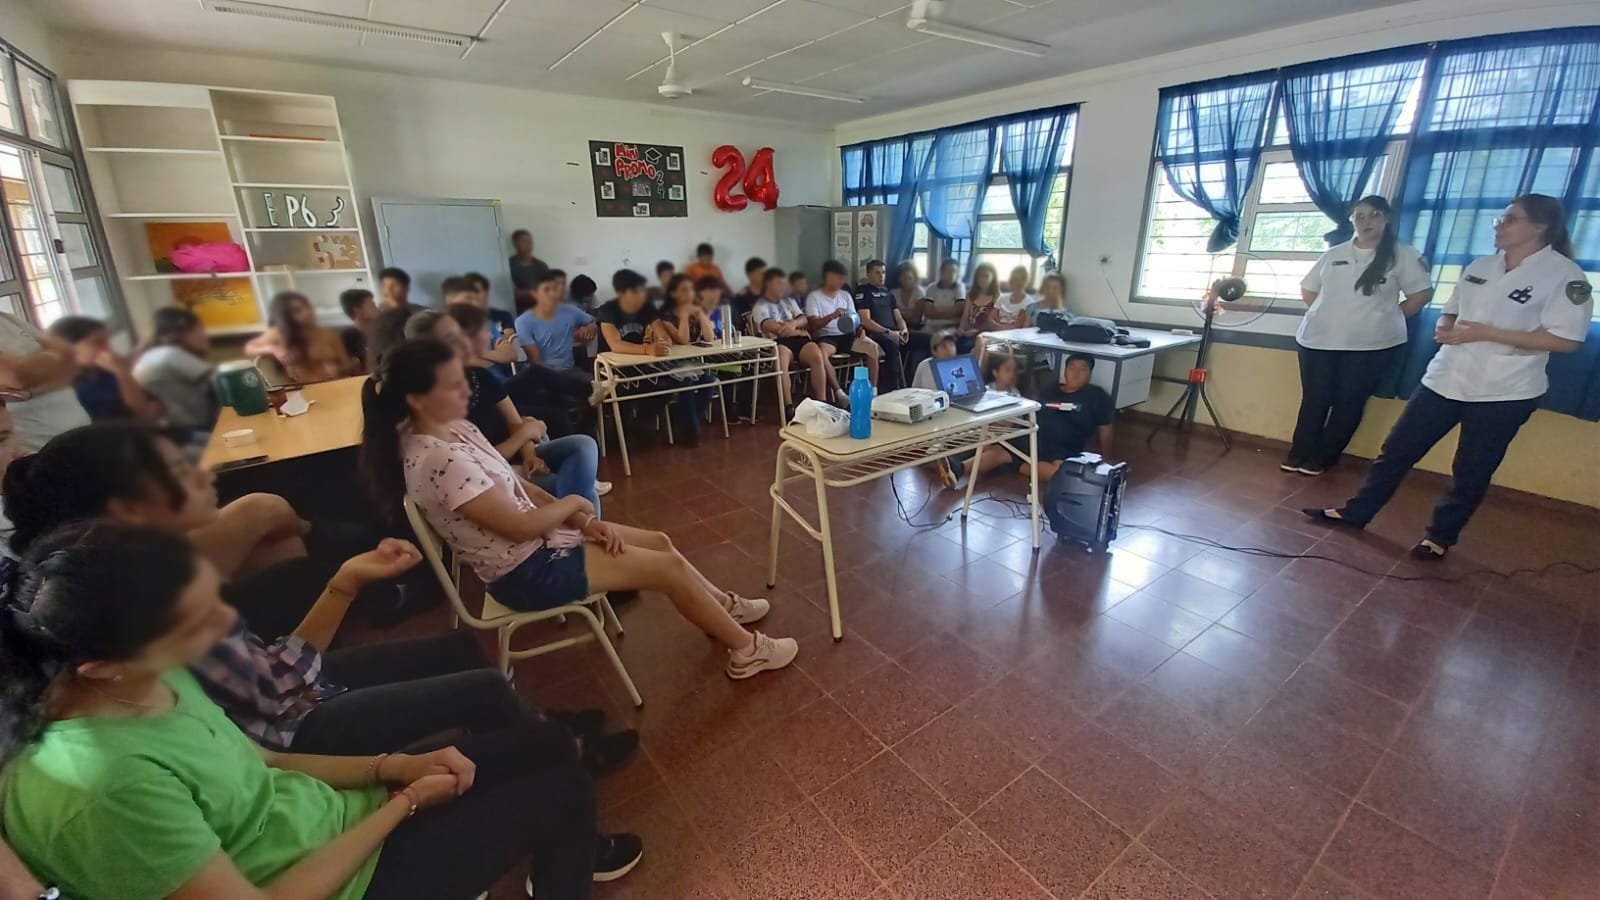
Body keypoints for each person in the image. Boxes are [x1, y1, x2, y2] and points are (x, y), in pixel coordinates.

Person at [0, 519, 643, 900]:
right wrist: (405, 803)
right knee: (563, 793)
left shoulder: (150, 678)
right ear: (100, 665)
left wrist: (393, 768)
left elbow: (266, 759)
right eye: (196, 621)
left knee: (549, 747)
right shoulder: (104, 788)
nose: (225, 625)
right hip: (340, 880)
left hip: (337, 820)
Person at [0, 423, 634, 770]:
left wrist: (343, 580)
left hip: (279, 687)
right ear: (127, 508)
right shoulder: (146, 598)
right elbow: (275, 692)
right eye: (176, 470)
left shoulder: (126, 570)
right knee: (484, 682)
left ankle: (521, 737)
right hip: (287, 728)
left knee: (460, 650)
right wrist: (340, 583)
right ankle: (550, 758)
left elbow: (266, 664)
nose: (202, 473)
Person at [362, 338, 799, 680]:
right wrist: (575, 501)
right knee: (666, 568)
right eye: (453, 384)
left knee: (661, 543)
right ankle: (746, 651)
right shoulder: (436, 458)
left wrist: (585, 520)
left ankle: (721, 607)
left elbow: (523, 491)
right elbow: (518, 526)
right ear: (417, 399)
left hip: (544, 541)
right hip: (525, 572)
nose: (467, 389)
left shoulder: (457, 429)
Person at [1305, 193, 1592, 560]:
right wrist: (1445, 327)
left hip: (1505, 390)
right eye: (1498, 220)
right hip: (1446, 377)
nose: (1499, 226)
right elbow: (1451, 310)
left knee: (1471, 468)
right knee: (1396, 450)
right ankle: (1357, 511)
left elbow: (1566, 339)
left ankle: (1439, 536)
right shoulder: (1482, 265)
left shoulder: (1565, 276)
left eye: (1510, 220)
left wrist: (1487, 333)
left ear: (1541, 226)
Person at [1286, 196, 1434, 476]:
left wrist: (1385, 318)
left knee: (1348, 401)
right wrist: (1329, 314)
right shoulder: (1334, 254)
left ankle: (1323, 457)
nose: (1366, 221)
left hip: (1370, 345)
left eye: (1374, 215)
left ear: (1386, 218)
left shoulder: (1403, 255)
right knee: (1315, 399)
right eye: (1360, 216)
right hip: (1318, 340)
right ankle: (1299, 452)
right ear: (1352, 219)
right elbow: (1308, 290)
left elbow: (1420, 294)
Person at [410, 308, 605, 505]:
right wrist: (524, 434)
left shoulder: (479, 377)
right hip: (491, 474)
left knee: (583, 446)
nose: (464, 342)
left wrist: (529, 453)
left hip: (515, 455)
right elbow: (475, 463)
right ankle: (580, 527)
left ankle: (580, 529)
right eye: (452, 339)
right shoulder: (431, 402)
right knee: (583, 491)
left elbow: (515, 422)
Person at [0, 310, 91, 452]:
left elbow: (70, 356)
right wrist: (56, 361)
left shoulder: (6, 318)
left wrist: (34, 383)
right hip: (43, 452)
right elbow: (16, 378)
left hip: (83, 435)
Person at [753, 267, 841, 409]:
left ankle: (822, 403)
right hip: (777, 342)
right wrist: (799, 331)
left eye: (783, 283)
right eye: (778, 283)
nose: (782, 287)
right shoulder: (760, 306)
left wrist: (793, 323)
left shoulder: (788, 301)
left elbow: (804, 319)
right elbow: (775, 328)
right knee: (781, 358)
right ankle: (788, 405)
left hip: (799, 340)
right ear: (768, 284)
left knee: (816, 354)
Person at [47, 316, 164, 424]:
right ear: (66, 347)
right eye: (97, 343)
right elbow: (144, 415)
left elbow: (153, 410)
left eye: (107, 341)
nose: (108, 348)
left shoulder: (103, 370)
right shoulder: (67, 388)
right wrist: (123, 374)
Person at [132, 307, 218, 436]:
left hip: (177, 429)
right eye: (197, 329)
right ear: (179, 333)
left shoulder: (152, 354)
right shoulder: (170, 354)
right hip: (192, 431)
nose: (203, 334)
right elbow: (223, 379)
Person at [246, 291, 361, 384]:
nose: (308, 312)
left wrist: (338, 369)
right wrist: (273, 349)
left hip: (338, 384)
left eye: (307, 307)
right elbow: (250, 348)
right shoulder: (278, 333)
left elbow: (347, 364)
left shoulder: (329, 333)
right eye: (298, 311)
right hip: (305, 391)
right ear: (286, 316)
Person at [806, 260, 877, 390]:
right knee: (822, 354)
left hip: (847, 335)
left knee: (872, 348)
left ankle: (873, 390)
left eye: (843, 279)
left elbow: (855, 317)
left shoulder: (845, 295)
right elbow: (813, 324)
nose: (842, 282)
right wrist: (831, 316)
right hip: (827, 337)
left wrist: (859, 328)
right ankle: (838, 391)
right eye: (839, 278)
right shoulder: (814, 297)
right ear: (828, 276)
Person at [516, 270, 597, 375]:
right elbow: (536, 361)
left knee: (596, 386)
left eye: (554, 289)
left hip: (570, 370)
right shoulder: (523, 321)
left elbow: (592, 321)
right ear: (535, 293)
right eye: (546, 290)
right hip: (542, 374)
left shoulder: (570, 310)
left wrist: (592, 327)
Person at [852, 260, 906, 391]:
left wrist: (904, 329)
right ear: (869, 274)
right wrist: (889, 332)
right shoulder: (863, 291)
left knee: (924, 341)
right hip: (877, 333)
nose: (881, 276)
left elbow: (898, 316)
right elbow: (865, 320)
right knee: (892, 348)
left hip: (895, 332)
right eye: (877, 273)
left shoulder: (888, 293)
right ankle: (891, 390)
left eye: (883, 272)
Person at [958, 263, 1001, 354]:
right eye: (980, 277)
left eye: (986, 276)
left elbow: (994, 322)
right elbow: (965, 316)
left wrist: (977, 331)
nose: (983, 280)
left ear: (993, 277)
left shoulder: (996, 296)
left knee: (967, 347)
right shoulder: (971, 295)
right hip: (968, 332)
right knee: (949, 343)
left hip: (985, 334)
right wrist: (961, 328)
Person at [509, 229, 549, 313]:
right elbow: (511, 292)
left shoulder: (541, 266)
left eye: (530, 241)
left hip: (541, 308)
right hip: (518, 310)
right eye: (524, 241)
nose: (529, 244)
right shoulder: (508, 266)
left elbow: (549, 289)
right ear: (515, 243)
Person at [339, 288, 378, 373]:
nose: (376, 308)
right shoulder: (348, 337)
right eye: (372, 305)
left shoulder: (381, 332)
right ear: (357, 310)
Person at [925, 259, 966, 332]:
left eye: (954, 271)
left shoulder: (960, 287)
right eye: (948, 271)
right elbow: (928, 312)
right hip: (931, 325)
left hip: (953, 325)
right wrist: (951, 310)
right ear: (941, 272)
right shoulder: (931, 287)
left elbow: (959, 311)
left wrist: (936, 309)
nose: (951, 275)